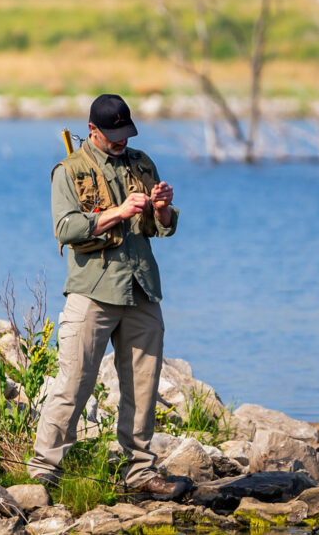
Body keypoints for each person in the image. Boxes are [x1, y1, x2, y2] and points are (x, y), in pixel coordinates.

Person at [28, 94, 188, 499]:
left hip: (142, 289)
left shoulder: (142, 163)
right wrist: (117, 212)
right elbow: (65, 228)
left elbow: (161, 227)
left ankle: (141, 474)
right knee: (74, 384)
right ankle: (42, 472)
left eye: (126, 134)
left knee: (143, 387)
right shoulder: (69, 170)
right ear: (93, 130)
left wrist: (162, 209)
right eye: (113, 136)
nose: (122, 142)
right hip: (92, 292)